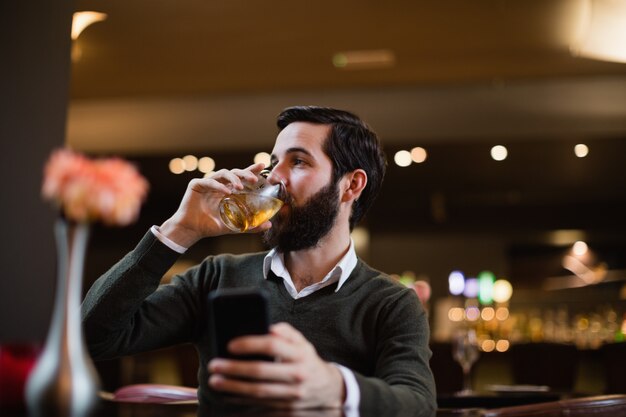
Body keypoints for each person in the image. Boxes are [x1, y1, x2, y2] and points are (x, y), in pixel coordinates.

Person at [81, 106, 436, 416]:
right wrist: (180, 230)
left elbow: (418, 404)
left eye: (298, 161)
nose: (274, 176)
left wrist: (335, 389)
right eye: (273, 163)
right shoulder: (217, 276)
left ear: (351, 185)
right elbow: (92, 336)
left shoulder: (392, 302)